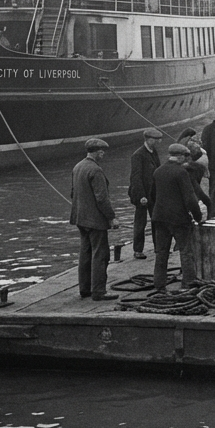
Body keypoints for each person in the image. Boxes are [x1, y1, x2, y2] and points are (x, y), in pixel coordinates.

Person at [150, 143, 204, 293]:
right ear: (180, 156)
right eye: (185, 156)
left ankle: (159, 285)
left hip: (160, 218)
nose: (185, 159)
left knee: (161, 252)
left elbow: (152, 195)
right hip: (179, 219)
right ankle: (188, 284)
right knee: (186, 251)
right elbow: (190, 199)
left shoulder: (158, 171)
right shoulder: (181, 172)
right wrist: (198, 217)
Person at [70, 138, 117, 300]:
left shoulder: (78, 167)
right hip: (95, 221)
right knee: (100, 255)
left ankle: (84, 289)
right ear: (96, 152)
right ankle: (98, 291)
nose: (103, 154)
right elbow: (102, 199)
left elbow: (73, 193)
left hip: (80, 219)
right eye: (102, 151)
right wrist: (112, 217)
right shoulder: (96, 170)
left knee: (85, 254)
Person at [126, 128, 164, 260]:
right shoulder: (138, 155)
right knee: (140, 222)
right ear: (148, 139)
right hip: (142, 194)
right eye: (155, 140)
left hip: (153, 193)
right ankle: (138, 250)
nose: (157, 142)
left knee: (156, 220)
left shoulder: (153, 152)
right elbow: (136, 177)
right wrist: (141, 195)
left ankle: (158, 246)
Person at [183, 141, 215, 218]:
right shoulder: (202, 156)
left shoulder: (198, 162)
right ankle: (209, 214)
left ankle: (207, 215)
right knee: (205, 197)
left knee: (202, 197)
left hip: (202, 179)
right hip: (203, 178)